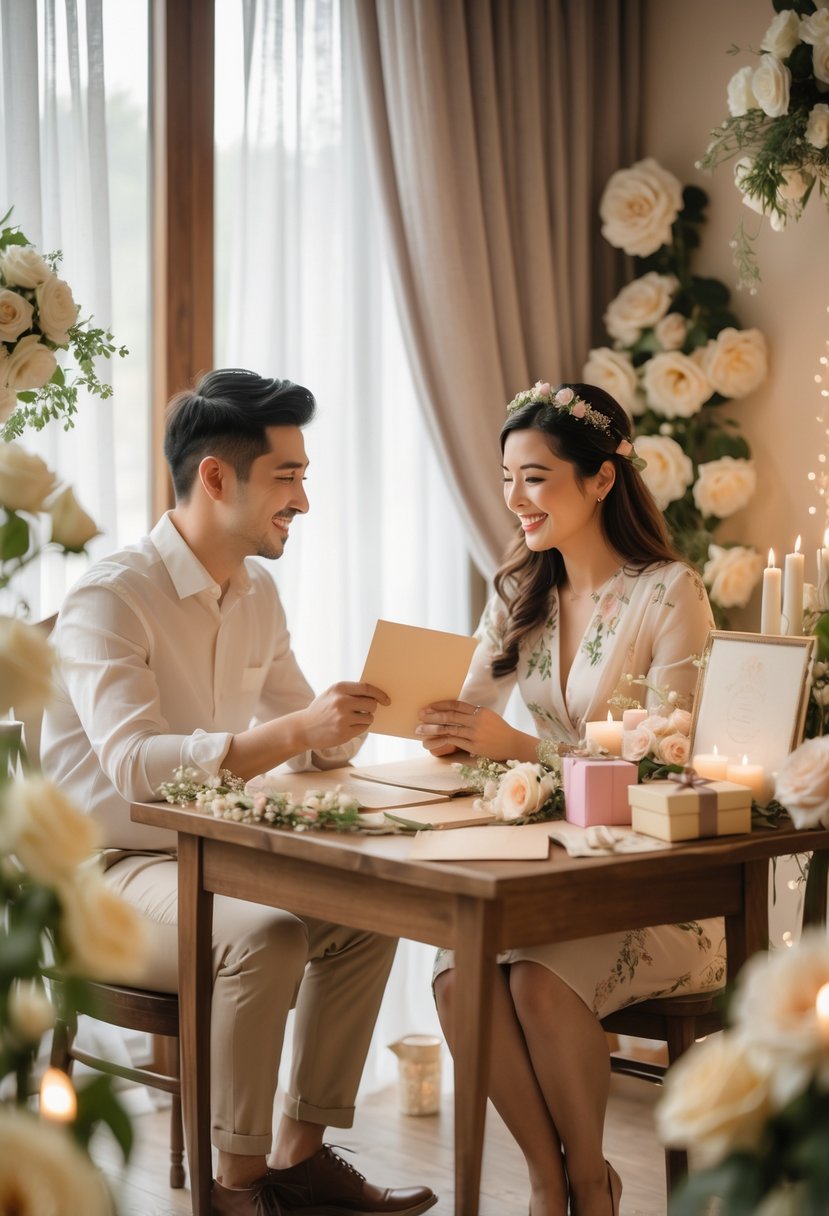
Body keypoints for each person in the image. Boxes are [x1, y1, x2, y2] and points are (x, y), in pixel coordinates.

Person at [41, 369, 437, 1216]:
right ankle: (235, 1189)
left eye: (303, 477)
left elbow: (301, 726)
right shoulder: (111, 598)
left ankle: (297, 1159)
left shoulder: (255, 592)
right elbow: (139, 770)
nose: (303, 500)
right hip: (103, 875)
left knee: (374, 913)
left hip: (200, 861)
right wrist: (299, 732)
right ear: (217, 477)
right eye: (287, 477)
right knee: (269, 934)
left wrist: (352, 718)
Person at [416, 382, 722, 1216]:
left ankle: (588, 1183)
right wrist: (439, 722)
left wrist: (517, 747)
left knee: (538, 984)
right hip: (550, 868)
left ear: (600, 481)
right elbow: (469, 703)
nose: (515, 499)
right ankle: (550, 1182)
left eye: (536, 478)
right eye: (507, 477)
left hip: (660, 886)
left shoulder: (671, 594)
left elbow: (669, 766)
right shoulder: (520, 587)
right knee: (454, 979)